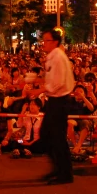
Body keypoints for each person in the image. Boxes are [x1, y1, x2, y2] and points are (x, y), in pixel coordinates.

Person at [28, 28, 75, 185]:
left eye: (46, 40)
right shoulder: (52, 57)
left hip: (59, 101)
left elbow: (57, 83)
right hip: (54, 101)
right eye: (43, 40)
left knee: (57, 138)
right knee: (47, 135)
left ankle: (65, 173)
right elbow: (52, 80)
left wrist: (39, 89)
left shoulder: (58, 58)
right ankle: (59, 168)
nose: (43, 43)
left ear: (55, 42)